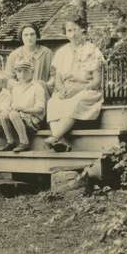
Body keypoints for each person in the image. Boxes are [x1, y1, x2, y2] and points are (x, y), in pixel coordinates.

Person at [46, 17, 104, 152]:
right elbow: (58, 78)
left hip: (87, 89)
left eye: (75, 30)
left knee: (76, 101)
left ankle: (55, 137)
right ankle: (61, 140)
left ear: (83, 30)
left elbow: (97, 81)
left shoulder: (92, 50)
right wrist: (61, 90)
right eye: (69, 31)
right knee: (53, 102)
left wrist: (78, 89)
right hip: (66, 90)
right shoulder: (61, 52)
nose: (72, 34)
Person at [0, 59, 45, 153]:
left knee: (13, 114)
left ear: (32, 72)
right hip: (18, 119)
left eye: (26, 71)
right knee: (3, 114)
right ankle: (10, 141)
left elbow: (40, 108)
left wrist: (24, 109)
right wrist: (8, 109)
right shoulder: (15, 88)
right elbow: (12, 104)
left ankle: (24, 141)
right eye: (19, 71)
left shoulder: (37, 87)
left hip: (33, 120)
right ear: (16, 73)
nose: (22, 74)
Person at [5, 23, 52, 93]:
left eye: (32, 34)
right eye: (26, 35)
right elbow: (8, 78)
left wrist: (44, 86)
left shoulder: (47, 53)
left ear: (37, 36)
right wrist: (21, 86)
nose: (29, 37)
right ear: (21, 37)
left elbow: (54, 76)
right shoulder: (14, 55)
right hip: (21, 93)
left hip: (42, 92)